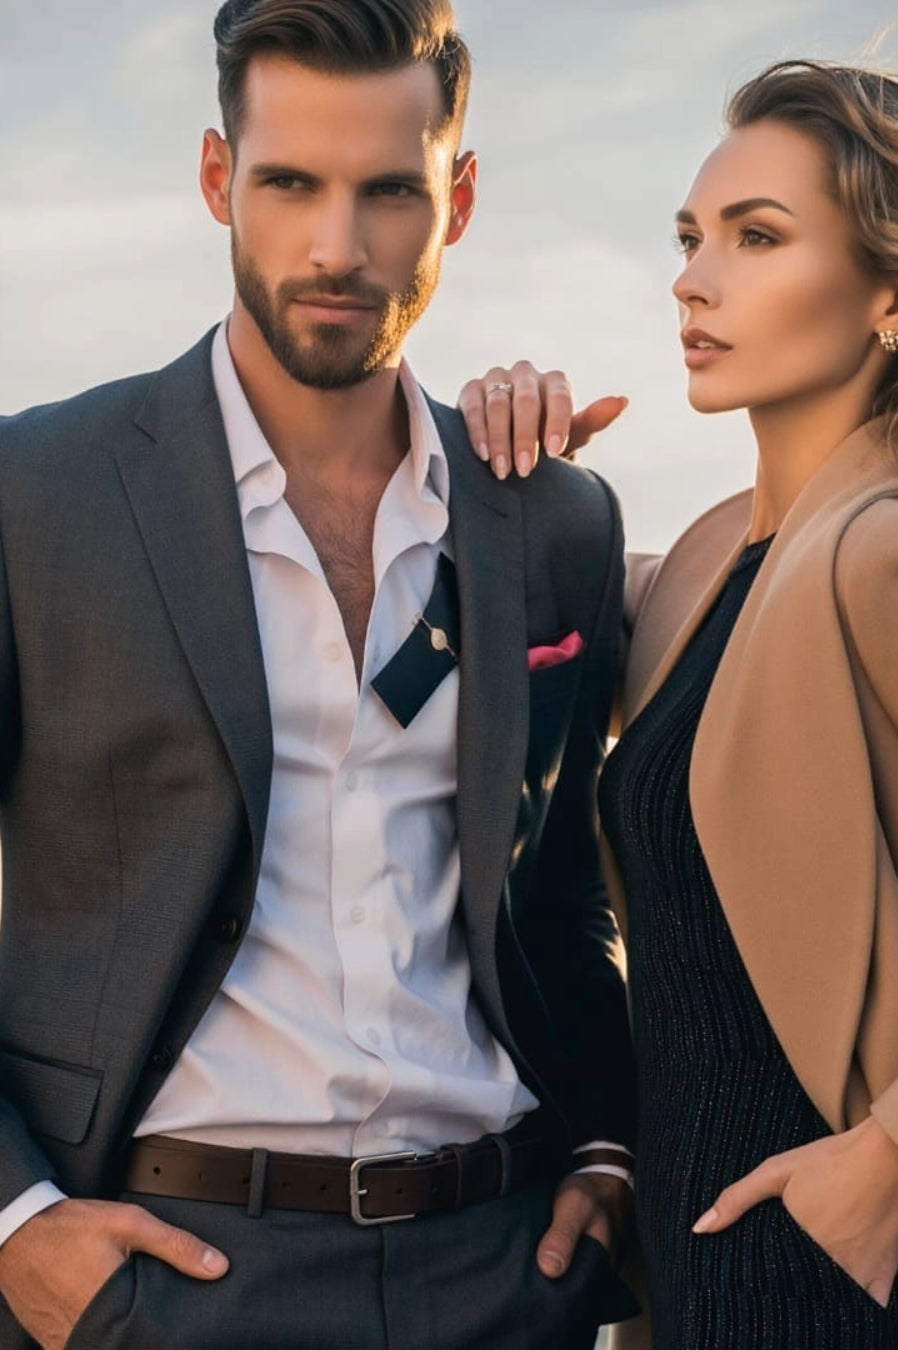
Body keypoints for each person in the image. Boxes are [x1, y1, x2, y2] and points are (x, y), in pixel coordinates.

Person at [0, 2, 640, 1347]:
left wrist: (609, 1149)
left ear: (455, 199)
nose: (337, 247)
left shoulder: (555, 520)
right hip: (165, 1276)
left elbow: (562, 887)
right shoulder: (34, 494)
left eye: (389, 191)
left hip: (504, 1268)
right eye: (290, 183)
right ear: (219, 180)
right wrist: (16, 1223)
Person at [458, 60, 898, 1350]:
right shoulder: (701, 569)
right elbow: (507, 617)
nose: (696, 276)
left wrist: (895, 1160)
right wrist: (513, 470)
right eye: (692, 238)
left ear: (896, 293)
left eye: (758, 237)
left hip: (869, 1290)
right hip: (697, 1287)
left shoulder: (892, 558)